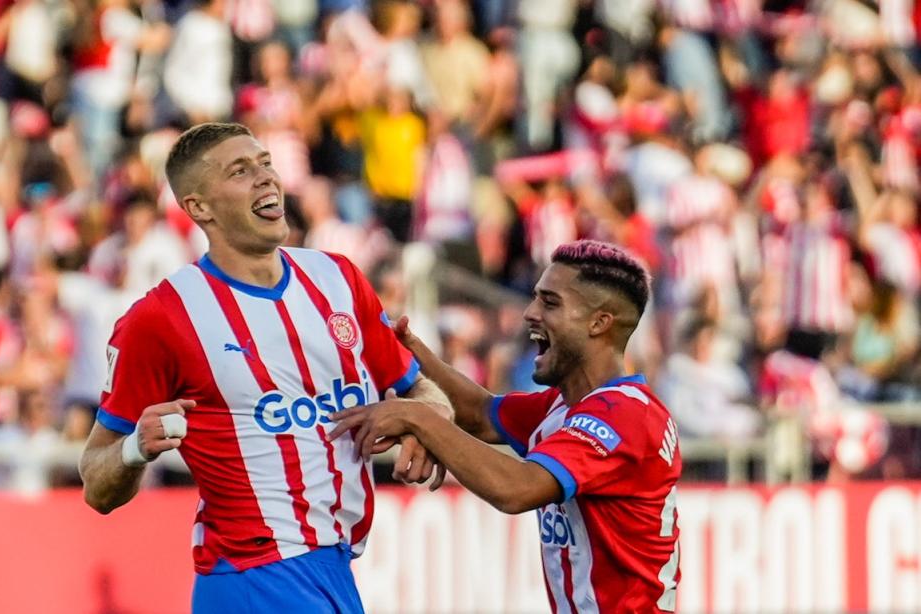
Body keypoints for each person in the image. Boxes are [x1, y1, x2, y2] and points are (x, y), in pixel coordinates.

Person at [78, 122, 451, 614]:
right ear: (198, 208)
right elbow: (95, 482)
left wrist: (422, 424)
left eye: (266, 163)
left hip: (335, 568)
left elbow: (422, 389)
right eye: (239, 171)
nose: (265, 178)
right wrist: (134, 449)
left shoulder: (337, 279)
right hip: (255, 574)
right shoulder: (162, 318)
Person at [330, 240, 682, 612]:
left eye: (550, 302)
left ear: (599, 323)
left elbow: (516, 489)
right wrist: (407, 350)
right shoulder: (570, 406)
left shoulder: (624, 416)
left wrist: (417, 416)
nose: (530, 313)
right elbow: (479, 413)